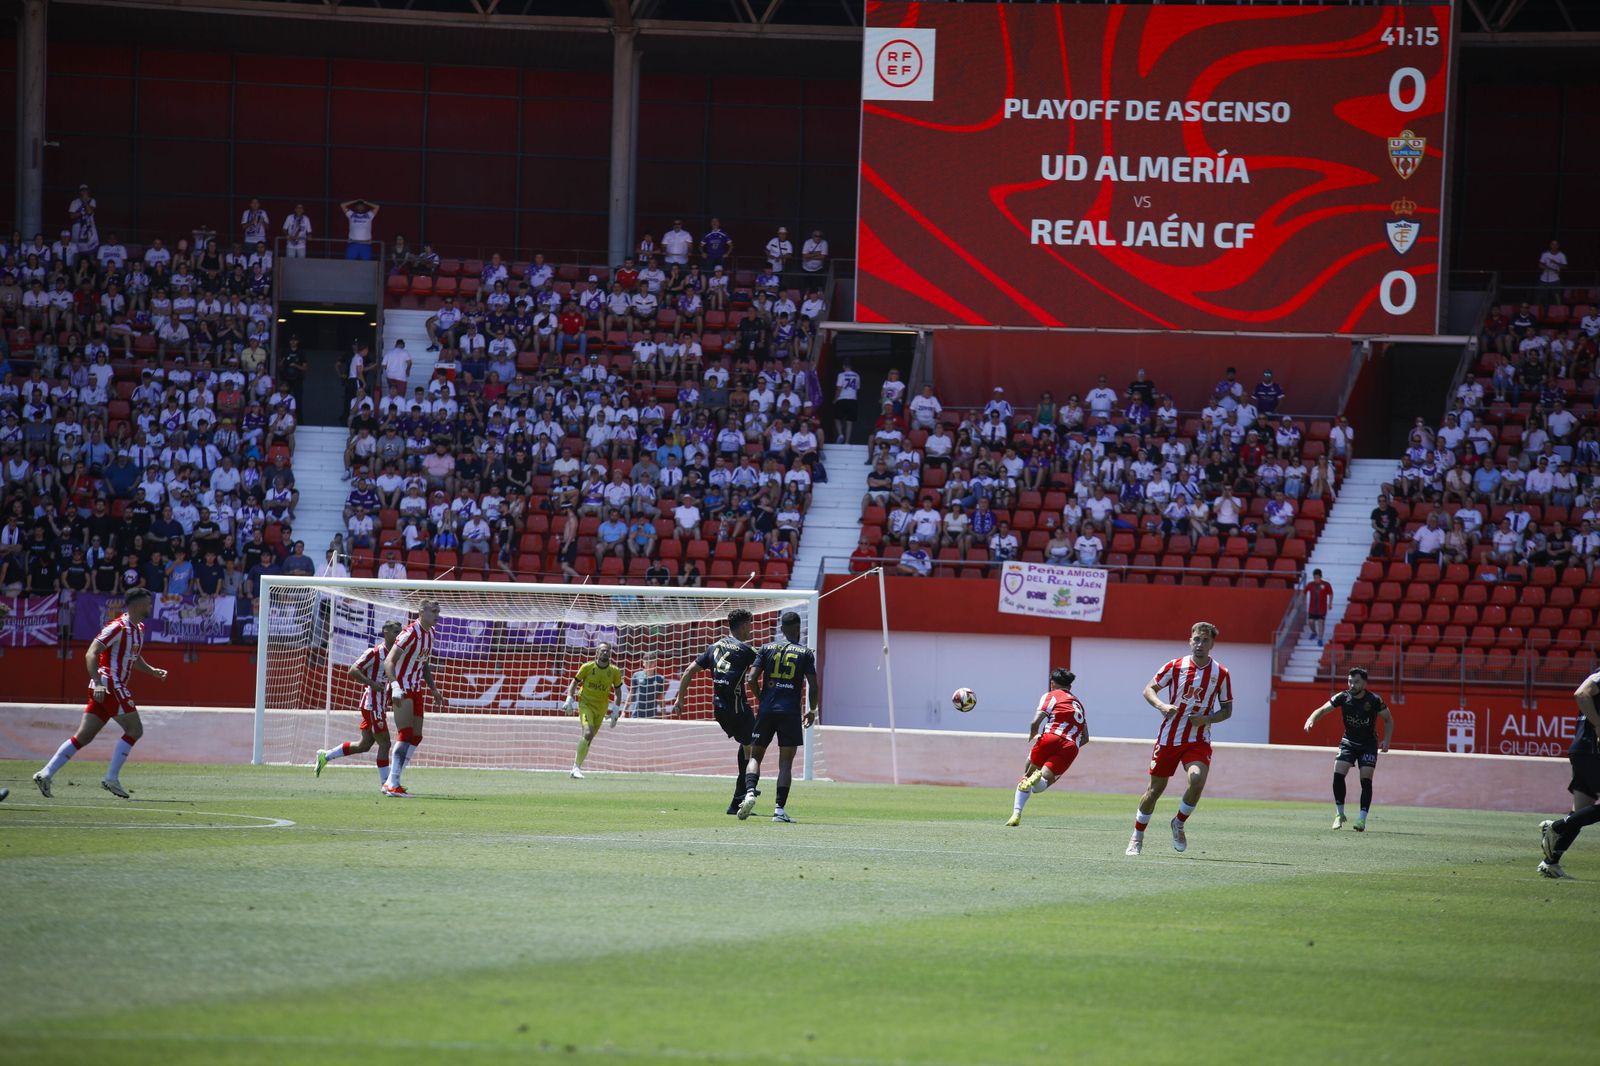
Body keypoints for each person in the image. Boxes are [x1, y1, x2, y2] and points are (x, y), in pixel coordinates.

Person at [33, 588, 169, 799]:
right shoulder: (117, 626)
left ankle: (46, 773)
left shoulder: (139, 628)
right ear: (136, 604)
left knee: (84, 736)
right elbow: (92, 652)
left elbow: (134, 657)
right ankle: (111, 778)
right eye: (147, 603)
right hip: (109, 683)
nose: (150, 607)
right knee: (135, 730)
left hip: (109, 686)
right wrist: (97, 682)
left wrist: (152, 671)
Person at [1127, 621, 1233, 856]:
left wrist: (1206, 718)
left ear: (1212, 644)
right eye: (1196, 639)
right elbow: (1149, 689)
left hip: (1198, 739)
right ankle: (1137, 836)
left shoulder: (1221, 674)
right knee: (1154, 791)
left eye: (1205, 640)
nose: (1200, 644)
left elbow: (1227, 710)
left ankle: (1179, 822)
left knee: (1196, 780)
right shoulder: (1175, 666)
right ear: (1189, 641)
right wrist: (1161, 706)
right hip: (1169, 737)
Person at [668, 608, 760, 814]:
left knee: (746, 744)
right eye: (750, 625)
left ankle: (739, 796)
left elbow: (689, 670)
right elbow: (764, 666)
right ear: (744, 625)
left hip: (719, 708)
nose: (751, 629)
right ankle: (744, 794)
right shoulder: (746, 651)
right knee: (754, 751)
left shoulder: (713, 647)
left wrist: (680, 699)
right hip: (738, 707)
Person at [738, 610, 818, 823]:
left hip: (767, 709)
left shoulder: (766, 648)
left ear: (781, 629)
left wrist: (761, 698)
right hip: (790, 712)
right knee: (785, 764)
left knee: (755, 756)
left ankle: (750, 792)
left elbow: (751, 678)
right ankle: (779, 811)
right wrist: (812, 710)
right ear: (799, 630)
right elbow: (813, 684)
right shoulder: (806, 653)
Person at [1302, 667, 1393, 831]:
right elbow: (1322, 709)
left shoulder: (1374, 700)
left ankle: (1362, 819)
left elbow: (1388, 719)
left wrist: (1386, 741)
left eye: (1356, 681)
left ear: (1364, 683)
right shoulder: (1343, 697)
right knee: (1337, 775)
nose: (1352, 684)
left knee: (1365, 780)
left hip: (1368, 745)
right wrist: (1311, 719)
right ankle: (1339, 814)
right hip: (1348, 742)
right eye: (1350, 681)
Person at [314, 620, 401, 788]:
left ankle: (325, 756)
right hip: (372, 704)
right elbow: (353, 669)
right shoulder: (374, 653)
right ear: (385, 632)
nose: (398, 635)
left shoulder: (395, 655)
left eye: (400, 632)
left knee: (364, 745)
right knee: (385, 743)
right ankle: (387, 784)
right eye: (395, 631)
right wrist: (371, 683)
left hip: (380, 704)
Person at [1538, 667, 1600, 879]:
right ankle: (1556, 826)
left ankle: (1551, 862)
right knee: (1577, 816)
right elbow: (1581, 693)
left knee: (1581, 811)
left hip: (1584, 750)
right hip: (1592, 749)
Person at [1006, 668, 1088, 827]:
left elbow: (1035, 722)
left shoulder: (1051, 695)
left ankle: (1016, 814)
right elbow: (1085, 737)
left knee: (1026, 776)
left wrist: (1033, 735)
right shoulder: (1079, 704)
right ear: (1070, 686)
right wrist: (1071, 745)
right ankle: (1037, 778)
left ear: (1052, 683)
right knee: (1040, 785)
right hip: (1071, 746)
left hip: (1050, 737)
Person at [381, 598, 443, 796]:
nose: (436, 615)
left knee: (417, 736)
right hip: (403, 687)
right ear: (421, 612)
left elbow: (423, 664)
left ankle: (392, 780)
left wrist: (433, 688)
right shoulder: (409, 632)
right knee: (405, 733)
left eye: (438, 612)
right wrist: (395, 686)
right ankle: (393, 784)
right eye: (433, 611)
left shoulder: (431, 633)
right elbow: (389, 661)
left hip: (416, 687)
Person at [565, 641, 624, 779]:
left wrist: (616, 709)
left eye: (607, 651)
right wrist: (569, 698)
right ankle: (576, 768)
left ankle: (576, 767)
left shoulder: (614, 671)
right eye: (602, 650)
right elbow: (574, 682)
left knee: (589, 738)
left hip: (601, 708)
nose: (605, 653)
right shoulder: (587, 667)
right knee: (588, 732)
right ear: (597, 652)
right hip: (586, 704)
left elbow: (618, 691)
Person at [1305, 568, 1333, 645]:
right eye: (1315, 577)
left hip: (1322, 608)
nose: (1316, 579)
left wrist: (1330, 603)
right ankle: (1314, 632)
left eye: (1317, 577)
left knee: (1321, 622)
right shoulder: (1310, 584)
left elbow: (1330, 594)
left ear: (1320, 576)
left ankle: (1320, 639)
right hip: (1312, 608)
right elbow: (1304, 592)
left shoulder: (1326, 584)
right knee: (1311, 622)